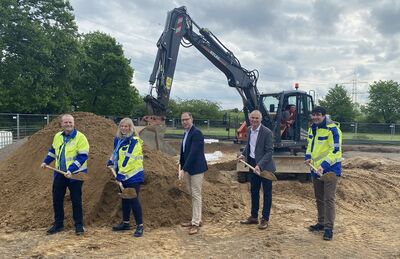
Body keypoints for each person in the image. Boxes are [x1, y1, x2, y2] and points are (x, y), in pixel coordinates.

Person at [40, 114, 89, 235]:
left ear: (74, 123)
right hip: (60, 174)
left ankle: (78, 225)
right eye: (66, 122)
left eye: (70, 122)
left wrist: (71, 170)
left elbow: (83, 156)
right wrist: (46, 162)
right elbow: (53, 151)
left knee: (76, 200)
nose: (68, 124)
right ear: (61, 124)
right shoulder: (57, 136)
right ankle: (58, 224)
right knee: (57, 199)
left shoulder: (80, 137)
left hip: (76, 175)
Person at [304, 106, 342, 241]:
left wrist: (323, 165)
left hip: (330, 170)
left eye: (318, 115)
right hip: (315, 169)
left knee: (329, 199)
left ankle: (328, 228)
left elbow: (336, 151)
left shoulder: (333, 129)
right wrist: (307, 157)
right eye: (313, 115)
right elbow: (310, 145)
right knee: (319, 198)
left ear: (324, 115)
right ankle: (321, 223)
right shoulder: (312, 128)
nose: (315, 117)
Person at [107, 118, 144, 237]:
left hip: (133, 175)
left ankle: (140, 226)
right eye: (122, 126)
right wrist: (111, 161)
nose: (123, 128)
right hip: (122, 175)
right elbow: (115, 153)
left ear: (130, 128)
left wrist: (121, 174)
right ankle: (126, 223)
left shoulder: (134, 141)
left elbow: (130, 159)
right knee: (125, 199)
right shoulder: (118, 140)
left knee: (133, 199)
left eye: (126, 126)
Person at [238, 110, 276, 230]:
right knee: (254, 191)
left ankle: (265, 219)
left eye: (256, 118)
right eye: (252, 118)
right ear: (249, 118)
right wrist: (243, 154)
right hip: (252, 164)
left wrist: (259, 165)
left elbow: (270, 151)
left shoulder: (267, 132)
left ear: (261, 120)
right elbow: (250, 145)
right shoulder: (249, 129)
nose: (254, 120)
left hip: (265, 167)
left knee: (267, 193)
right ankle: (254, 217)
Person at [178, 112, 208, 235]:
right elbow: (184, 151)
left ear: (192, 119)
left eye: (187, 119)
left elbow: (193, 154)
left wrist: (183, 169)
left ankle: (196, 223)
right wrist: (181, 164)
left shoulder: (197, 133)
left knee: (196, 194)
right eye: (182, 120)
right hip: (189, 168)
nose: (185, 122)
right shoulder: (186, 133)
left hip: (196, 169)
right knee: (192, 193)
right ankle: (196, 219)